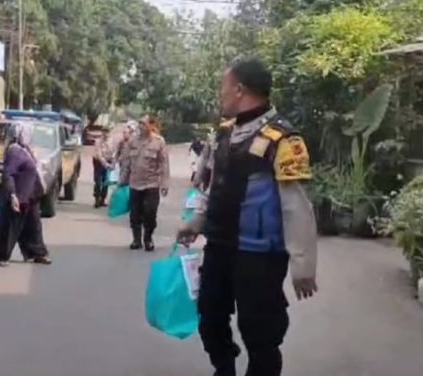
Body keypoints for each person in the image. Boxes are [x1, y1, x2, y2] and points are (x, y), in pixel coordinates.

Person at [177, 58, 318, 376]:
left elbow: (295, 207)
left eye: (223, 87)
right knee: (210, 316)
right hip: (220, 246)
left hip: (260, 255)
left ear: (239, 89)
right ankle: (223, 368)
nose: (220, 95)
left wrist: (303, 265)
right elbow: (210, 186)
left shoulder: (284, 140)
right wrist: (195, 222)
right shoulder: (224, 134)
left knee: (261, 334)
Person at [0, 122, 52, 266]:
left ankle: (36, 253)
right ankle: (0, 256)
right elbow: (8, 174)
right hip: (19, 196)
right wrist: (12, 195)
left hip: (31, 196)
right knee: (10, 227)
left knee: (33, 227)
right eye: (27, 133)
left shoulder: (25, 150)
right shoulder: (15, 151)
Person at [119, 114, 169, 252]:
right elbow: (126, 163)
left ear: (151, 126)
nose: (140, 126)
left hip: (152, 184)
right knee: (135, 214)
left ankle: (148, 238)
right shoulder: (132, 142)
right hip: (135, 183)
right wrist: (122, 180)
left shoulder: (159, 142)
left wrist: (165, 183)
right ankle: (136, 240)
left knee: (150, 212)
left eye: (143, 124)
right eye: (139, 123)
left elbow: (164, 164)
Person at [92, 128, 114, 208]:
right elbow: (99, 155)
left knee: (106, 181)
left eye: (108, 132)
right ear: (102, 133)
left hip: (108, 161)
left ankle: (102, 199)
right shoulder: (98, 141)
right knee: (98, 181)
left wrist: (112, 163)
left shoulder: (111, 141)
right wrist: (106, 164)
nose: (106, 134)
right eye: (105, 132)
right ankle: (97, 198)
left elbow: (113, 152)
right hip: (98, 162)